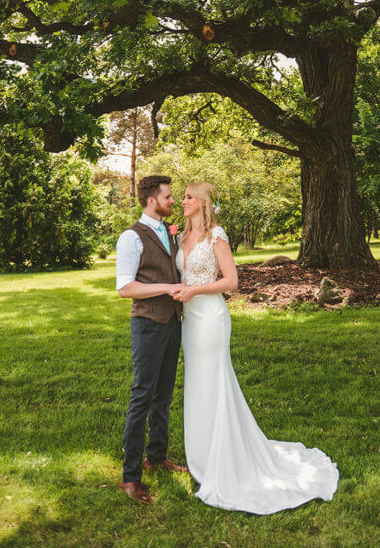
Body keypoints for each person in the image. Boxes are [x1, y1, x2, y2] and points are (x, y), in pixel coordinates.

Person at [170, 181, 339, 513]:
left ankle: (225, 457)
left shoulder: (216, 236)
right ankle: (202, 456)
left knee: (215, 383)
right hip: (189, 321)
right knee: (197, 386)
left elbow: (231, 282)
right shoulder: (180, 236)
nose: (183, 201)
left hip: (211, 318)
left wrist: (194, 291)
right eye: (183, 197)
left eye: (189, 197)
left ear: (203, 203)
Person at [115, 174, 188, 505]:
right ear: (151, 201)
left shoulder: (170, 232)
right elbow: (125, 287)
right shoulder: (131, 238)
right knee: (142, 396)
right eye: (168, 197)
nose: (173, 201)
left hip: (173, 322)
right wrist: (165, 288)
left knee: (164, 394)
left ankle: (157, 456)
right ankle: (131, 478)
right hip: (147, 324)